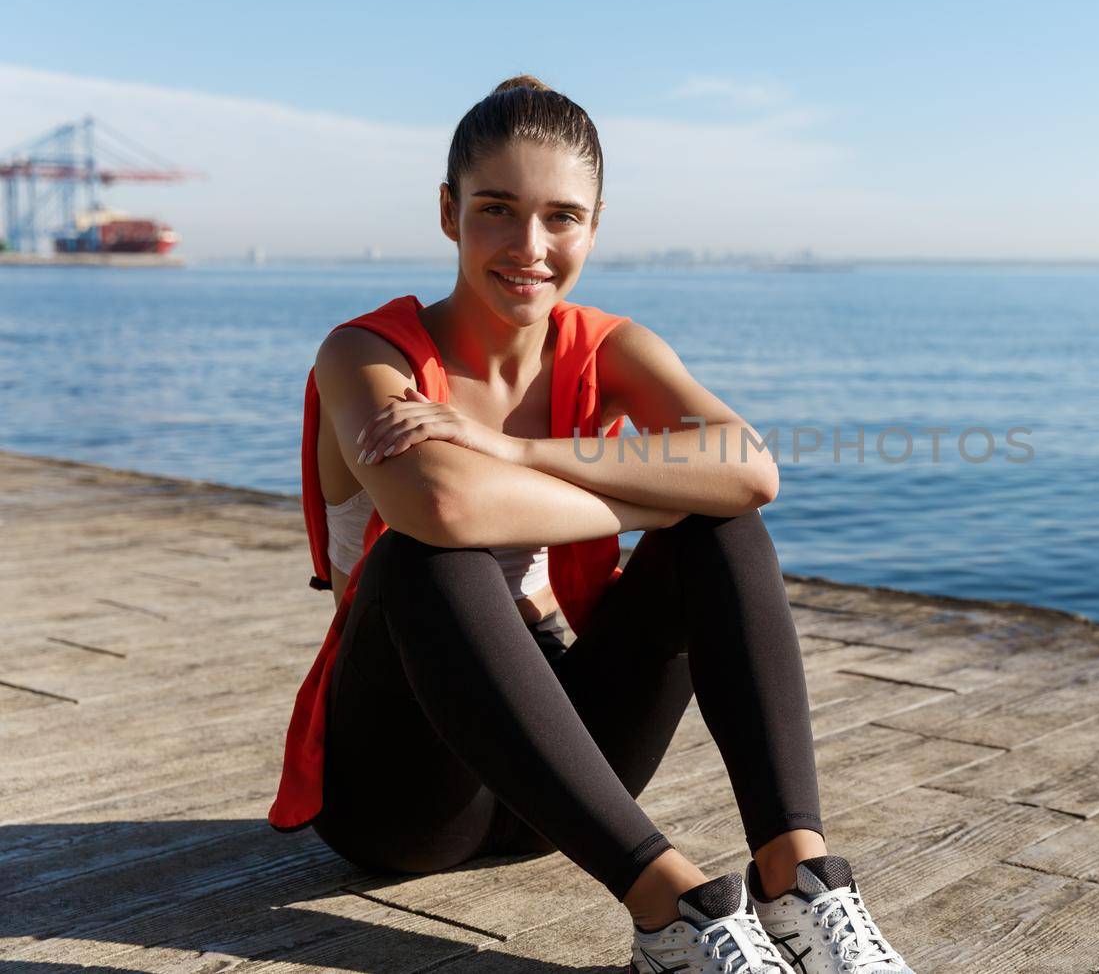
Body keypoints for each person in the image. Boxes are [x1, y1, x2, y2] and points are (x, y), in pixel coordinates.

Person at [271, 75, 917, 974]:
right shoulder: (366, 353)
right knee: (430, 558)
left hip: (556, 782)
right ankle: (672, 909)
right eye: (497, 209)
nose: (529, 247)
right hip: (402, 795)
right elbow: (443, 505)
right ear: (449, 212)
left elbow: (750, 469)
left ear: (596, 224)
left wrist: (514, 449)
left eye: (561, 217)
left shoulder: (608, 347)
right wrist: (656, 488)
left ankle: (797, 881)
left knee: (719, 533)